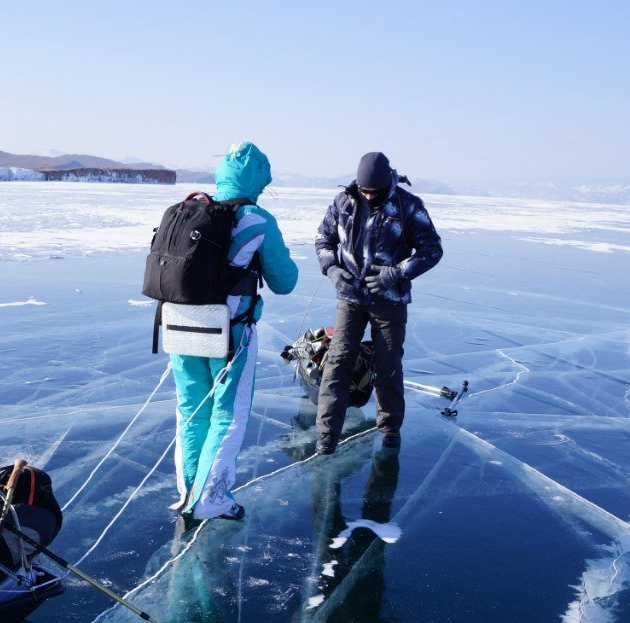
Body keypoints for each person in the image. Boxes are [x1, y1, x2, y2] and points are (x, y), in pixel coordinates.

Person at [171, 142, 298, 520]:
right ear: (259, 179)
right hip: (228, 332)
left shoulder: (189, 211)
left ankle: (187, 494)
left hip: (178, 324)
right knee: (227, 414)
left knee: (190, 411)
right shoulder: (257, 219)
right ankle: (211, 498)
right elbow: (285, 281)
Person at [314, 152, 443, 455]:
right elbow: (323, 239)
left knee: (387, 364)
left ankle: (390, 430)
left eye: (375, 191)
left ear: (388, 184)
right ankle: (327, 434)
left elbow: (432, 250)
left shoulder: (407, 206)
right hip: (351, 297)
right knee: (338, 360)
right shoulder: (343, 202)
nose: (369, 196)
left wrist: (395, 273)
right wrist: (333, 270)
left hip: (389, 300)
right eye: (364, 190)